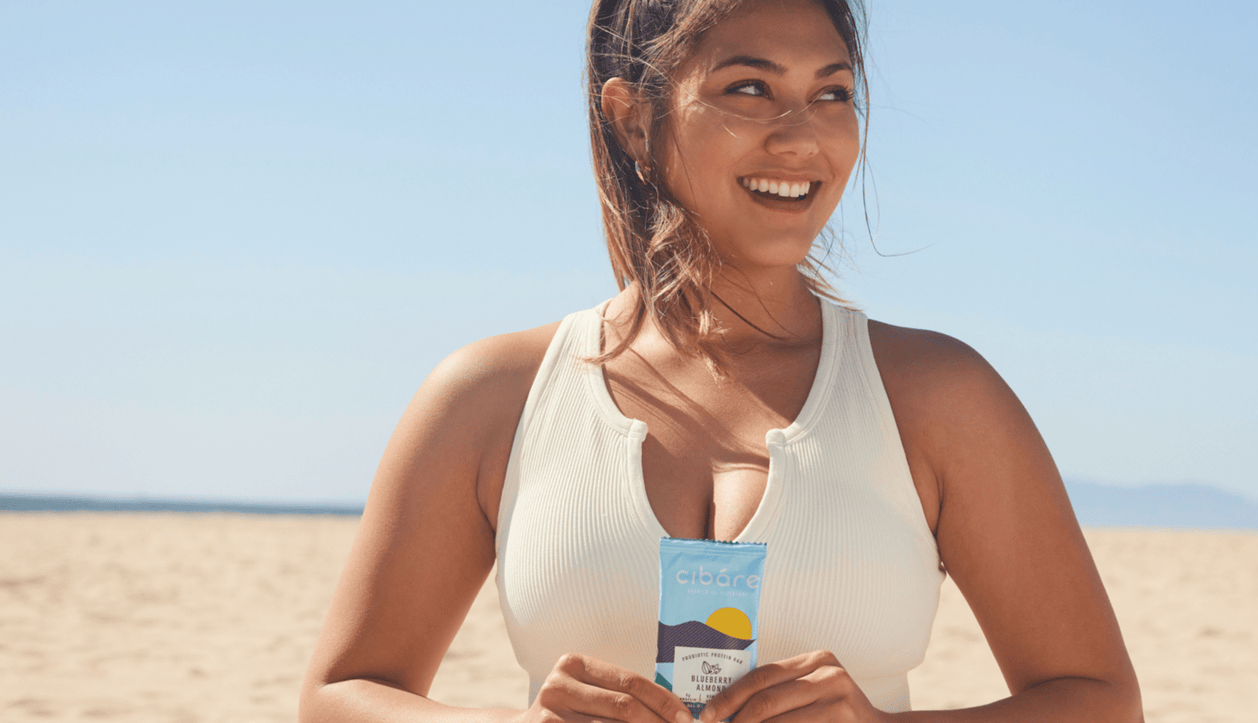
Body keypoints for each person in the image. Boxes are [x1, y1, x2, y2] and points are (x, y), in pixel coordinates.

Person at [300, 0, 1143, 721]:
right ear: (634, 117)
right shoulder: (491, 396)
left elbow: (1100, 698)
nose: (800, 136)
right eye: (750, 88)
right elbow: (340, 693)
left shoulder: (938, 395)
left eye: (832, 92)